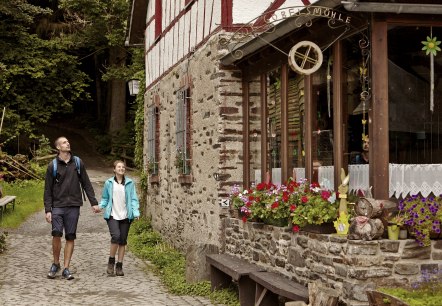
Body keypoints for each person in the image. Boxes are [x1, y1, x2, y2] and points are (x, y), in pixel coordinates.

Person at [44, 136, 99, 280]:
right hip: (57, 206)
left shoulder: (78, 163)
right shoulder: (53, 166)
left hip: (74, 205)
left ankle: (66, 268)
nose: (67, 143)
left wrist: (93, 202)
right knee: (56, 233)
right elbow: (47, 190)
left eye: (68, 141)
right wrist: (48, 210)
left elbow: (86, 183)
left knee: (70, 236)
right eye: (64, 142)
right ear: (58, 148)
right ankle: (56, 264)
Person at [99, 160, 140, 276]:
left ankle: (119, 265)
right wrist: (100, 206)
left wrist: (136, 212)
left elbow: (133, 199)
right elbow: (105, 198)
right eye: (119, 167)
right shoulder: (109, 183)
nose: (121, 168)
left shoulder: (130, 183)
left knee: (122, 240)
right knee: (116, 236)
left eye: (123, 167)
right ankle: (111, 261)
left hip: (126, 216)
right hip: (112, 215)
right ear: (114, 169)